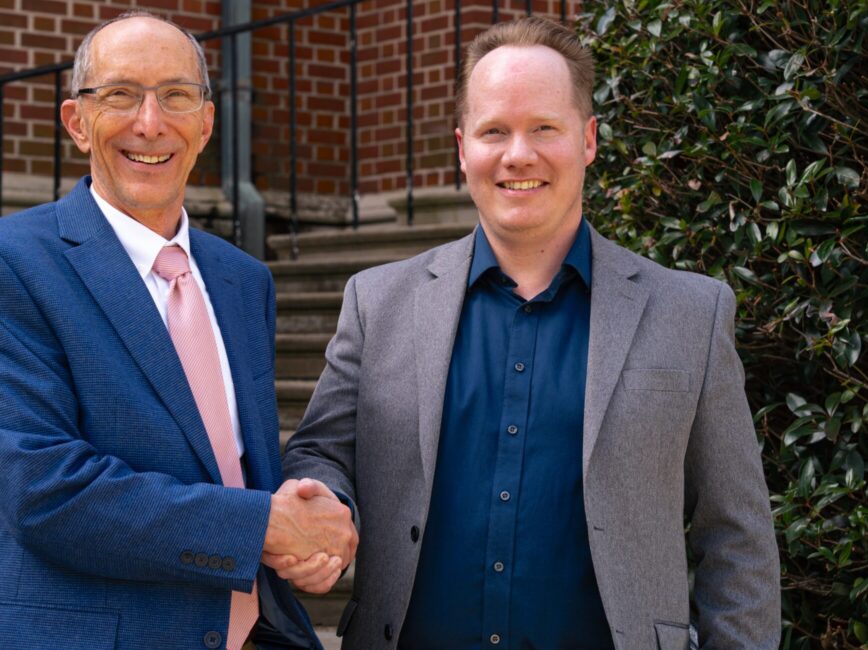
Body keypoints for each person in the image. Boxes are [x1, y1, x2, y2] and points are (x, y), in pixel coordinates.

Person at [282, 15, 780, 650]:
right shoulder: (377, 303)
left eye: (544, 127)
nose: (518, 154)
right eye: (495, 131)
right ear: (464, 148)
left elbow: (737, 537)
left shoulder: (690, 313)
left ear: (589, 139)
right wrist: (320, 502)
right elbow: (321, 450)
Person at [0, 11, 355, 650]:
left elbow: (240, 465)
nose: (150, 122)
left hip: (257, 633)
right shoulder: (0, 265)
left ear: (206, 124)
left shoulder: (244, 280)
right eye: (120, 95)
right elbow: (44, 489)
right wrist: (264, 528)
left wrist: (314, 525)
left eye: (176, 96)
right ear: (77, 123)